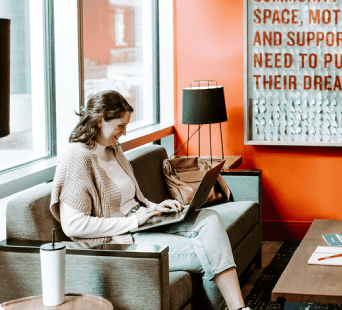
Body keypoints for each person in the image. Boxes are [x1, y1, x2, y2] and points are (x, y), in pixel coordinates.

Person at [49, 90, 250, 310]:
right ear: (99, 121)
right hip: (123, 239)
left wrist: (155, 207)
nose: (124, 133)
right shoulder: (76, 158)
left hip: (142, 223)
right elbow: (73, 225)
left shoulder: (113, 149)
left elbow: (131, 198)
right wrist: (134, 221)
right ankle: (237, 309)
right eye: (120, 126)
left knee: (209, 218)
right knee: (210, 251)